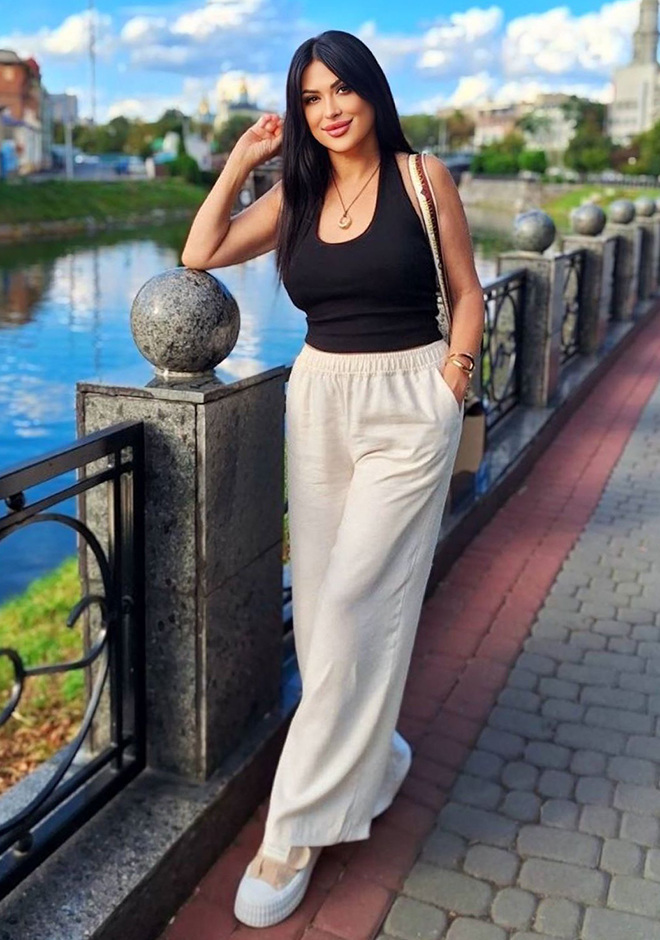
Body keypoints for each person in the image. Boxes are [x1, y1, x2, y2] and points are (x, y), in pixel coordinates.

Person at [181, 28, 484, 929]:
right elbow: (201, 253)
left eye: (341, 89)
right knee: (319, 617)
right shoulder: (298, 192)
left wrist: (452, 381)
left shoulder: (423, 179)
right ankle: (375, 761)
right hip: (318, 403)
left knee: (355, 602)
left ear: (370, 91)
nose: (329, 109)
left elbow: (467, 291)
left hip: (409, 401)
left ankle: (293, 832)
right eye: (310, 98)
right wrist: (242, 161)